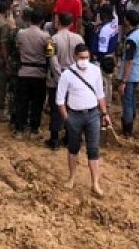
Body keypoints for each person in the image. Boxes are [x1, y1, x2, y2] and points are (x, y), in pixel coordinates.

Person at [56, 43, 110, 195]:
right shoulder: (67, 74)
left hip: (93, 114)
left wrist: (105, 113)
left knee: (94, 149)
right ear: (75, 57)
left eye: (87, 57)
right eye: (81, 58)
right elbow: (60, 99)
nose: (84, 60)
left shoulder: (95, 71)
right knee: (73, 148)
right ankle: (72, 178)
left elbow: (100, 94)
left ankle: (95, 183)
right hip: (74, 115)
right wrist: (67, 119)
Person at [45, 12, 83, 149]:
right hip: (74, 79)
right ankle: (69, 137)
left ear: (58, 22)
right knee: (72, 108)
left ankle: (54, 139)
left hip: (57, 79)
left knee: (56, 109)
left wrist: (59, 77)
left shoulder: (52, 39)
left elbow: (51, 59)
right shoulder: (79, 39)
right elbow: (82, 58)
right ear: (72, 24)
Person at [14, 8, 51, 135]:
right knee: (37, 103)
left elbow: (18, 49)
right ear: (42, 21)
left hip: (23, 71)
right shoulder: (46, 36)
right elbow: (50, 54)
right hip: (39, 74)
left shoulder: (21, 33)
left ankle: (19, 128)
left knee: (22, 102)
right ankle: (34, 128)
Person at [117, 9, 139, 138]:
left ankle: (127, 130)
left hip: (130, 73)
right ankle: (131, 122)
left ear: (127, 21)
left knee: (127, 101)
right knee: (132, 99)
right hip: (137, 72)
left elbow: (129, 61)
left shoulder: (131, 39)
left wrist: (123, 81)